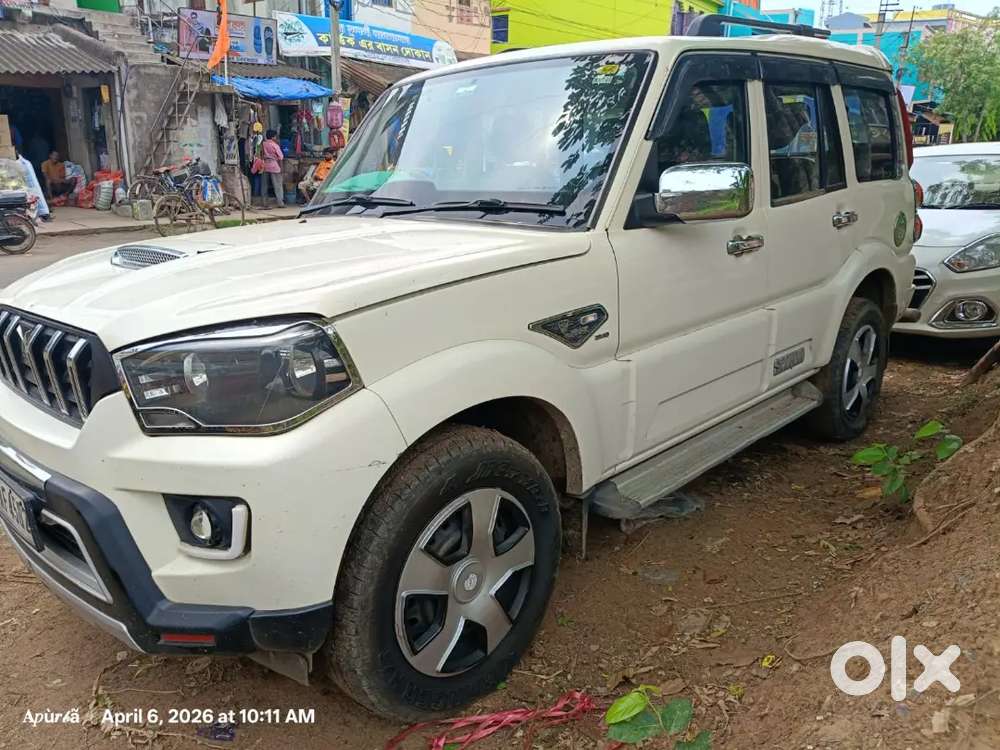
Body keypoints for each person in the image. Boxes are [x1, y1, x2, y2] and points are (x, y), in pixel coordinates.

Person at [261, 129, 284, 207]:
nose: (276, 138)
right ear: (273, 137)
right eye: (275, 136)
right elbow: (281, 157)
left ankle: (264, 202)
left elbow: (260, 154)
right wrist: (281, 168)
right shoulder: (275, 145)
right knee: (277, 185)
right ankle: (280, 202)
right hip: (274, 165)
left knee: (264, 185)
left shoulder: (263, 144)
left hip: (264, 165)